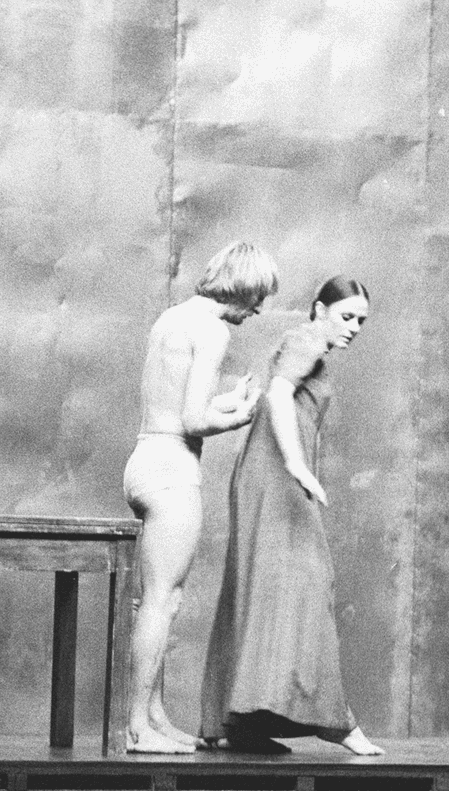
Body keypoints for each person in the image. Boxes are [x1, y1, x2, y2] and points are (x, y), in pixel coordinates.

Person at [199, 276, 382, 755]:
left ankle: (239, 723)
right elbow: (278, 394)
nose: (355, 328)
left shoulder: (302, 343)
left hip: (264, 475)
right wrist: (298, 463)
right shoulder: (304, 341)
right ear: (319, 310)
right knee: (308, 581)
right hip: (276, 477)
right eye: (347, 317)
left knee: (263, 588)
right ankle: (337, 724)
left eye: (362, 320)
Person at [122, 241, 276, 753]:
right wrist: (246, 412)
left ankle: (156, 716)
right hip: (173, 469)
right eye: (256, 299)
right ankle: (139, 727)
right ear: (241, 288)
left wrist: (225, 401)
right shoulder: (212, 329)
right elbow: (194, 421)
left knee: (154, 602)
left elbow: (174, 404)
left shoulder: (172, 318)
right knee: (164, 603)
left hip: (144, 462)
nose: (257, 311)